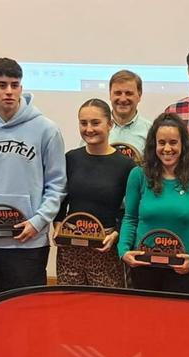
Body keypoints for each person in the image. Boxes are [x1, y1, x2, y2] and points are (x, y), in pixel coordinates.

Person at [0, 58, 66, 302]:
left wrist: (37, 222)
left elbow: (57, 185)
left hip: (29, 242)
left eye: (14, 85)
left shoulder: (46, 129)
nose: (9, 91)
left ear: (21, 87)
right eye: (2, 85)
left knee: (27, 312)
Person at [118, 113, 189, 293]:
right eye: (161, 143)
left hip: (182, 269)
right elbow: (130, 218)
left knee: (178, 320)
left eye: (173, 142)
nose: (167, 148)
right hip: (142, 266)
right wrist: (123, 251)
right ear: (154, 145)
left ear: (183, 145)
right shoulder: (138, 175)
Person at [54, 99, 134, 287]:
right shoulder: (71, 158)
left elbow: (131, 211)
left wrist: (116, 234)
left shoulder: (125, 165)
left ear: (110, 124)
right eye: (83, 123)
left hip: (105, 247)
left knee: (106, 308)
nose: (89, 129)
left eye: (95, 123)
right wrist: (57, 225)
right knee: (69, 304)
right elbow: (61, 198)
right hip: (70, 246)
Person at [107, 70, 152, 151]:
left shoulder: (150, 131)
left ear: (139, 95)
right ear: (110, 95)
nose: (123, 99)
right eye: (118, 93)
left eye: (129, 93)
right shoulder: (96, 129)